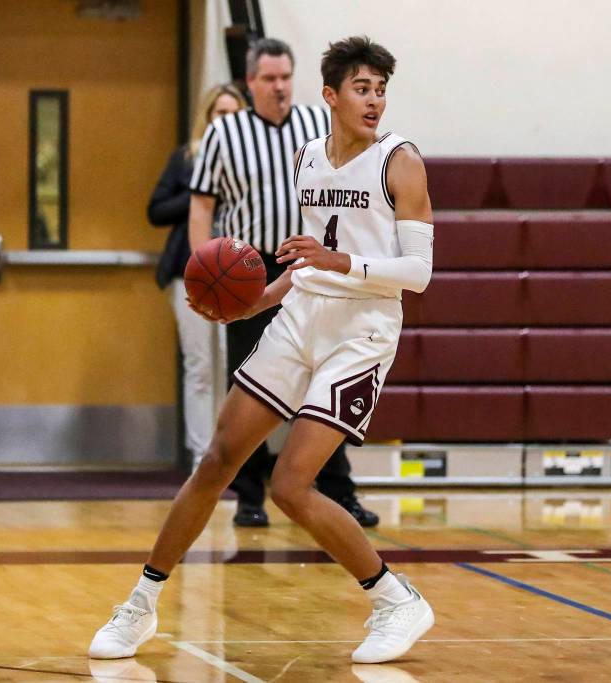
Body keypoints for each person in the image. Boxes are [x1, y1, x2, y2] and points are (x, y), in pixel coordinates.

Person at [89, 35, 435, 664]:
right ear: (330, 96)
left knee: (290, 485)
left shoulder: (400, 161)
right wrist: (256, 301)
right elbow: (306, 268)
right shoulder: (309, 157)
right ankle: (139, 605)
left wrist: (341, 260)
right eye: (362, 88)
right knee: (218, 457)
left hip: (363, 332)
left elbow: (417, 273)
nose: (375, 100)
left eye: (381, 89)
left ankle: (395, 599)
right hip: (301, 316)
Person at [187, 37, 378, 528]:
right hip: (246, 273)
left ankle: (339, 493)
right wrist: (203, 269)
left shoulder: (318, 123)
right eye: (269, 78)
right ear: (250, 83)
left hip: (310, 268)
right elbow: (202, 205)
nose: (279, 86)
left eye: (285, 77)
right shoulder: (225, 132)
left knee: (322, 383)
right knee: (248, 384)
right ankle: (249, 497)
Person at [147, 83, 246, 471]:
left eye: (234, 113)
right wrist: (199, 193)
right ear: (207, 118)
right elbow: (155, 211)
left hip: (238, 275)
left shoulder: (252, 166)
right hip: (192, 273)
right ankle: (201, 455)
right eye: (220, 114)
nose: (227, 121)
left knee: (235, 365)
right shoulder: (186, 160)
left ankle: (232, 453)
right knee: (200, 365)